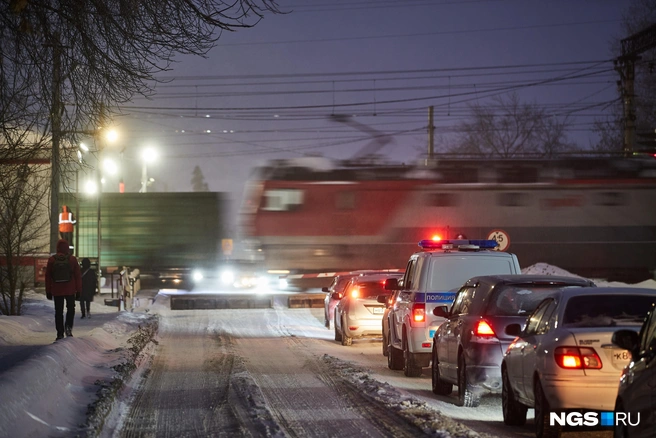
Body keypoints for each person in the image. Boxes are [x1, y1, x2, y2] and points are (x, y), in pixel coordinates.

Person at [45, 239, 82, 340]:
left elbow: (48, 276)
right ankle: (68, 328)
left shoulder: (52, 260)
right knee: (71, 309)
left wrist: (48, 291)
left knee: (58, 311)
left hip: (57, 290)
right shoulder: (72, 260)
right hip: (70, 289)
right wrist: (78, 290)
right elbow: (78, 276)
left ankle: (60, 333)